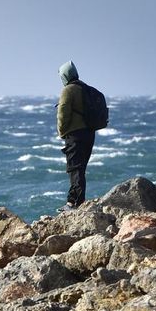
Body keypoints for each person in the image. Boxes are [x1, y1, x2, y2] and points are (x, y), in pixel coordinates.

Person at [56, 60, 96, 212]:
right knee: (81, 168)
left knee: (74, 168)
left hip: (75, 135)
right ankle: (80, 200)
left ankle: (73, 203)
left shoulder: (68, 90)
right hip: (89, 133)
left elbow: (63, 113)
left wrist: (61, 132)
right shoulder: (86, 88)